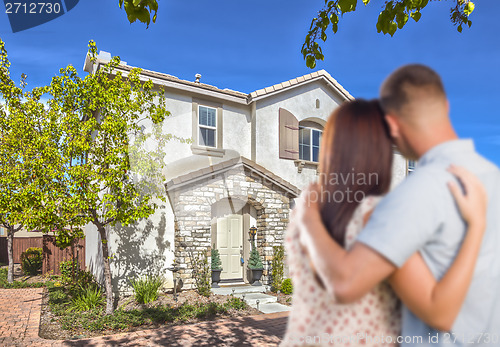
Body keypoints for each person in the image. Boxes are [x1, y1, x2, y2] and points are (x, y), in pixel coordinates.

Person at [293, 65, 500, 346]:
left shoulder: (413, 194)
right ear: (445, 105)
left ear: (392, 125)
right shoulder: (491, 178)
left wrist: (308, 218)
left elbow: (345, 284)